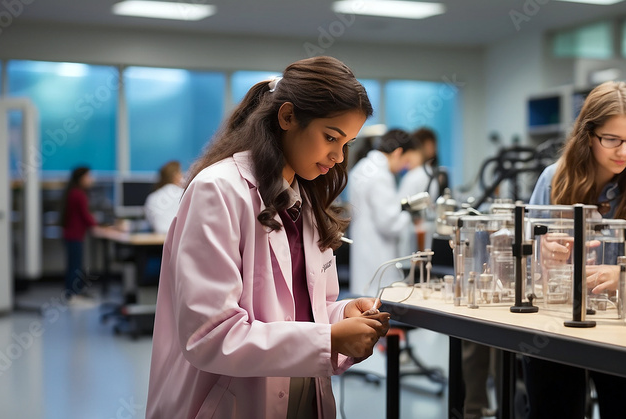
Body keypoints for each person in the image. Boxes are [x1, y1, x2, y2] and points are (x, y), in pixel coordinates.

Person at [146, 56, 390, 419]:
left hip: (304, 395)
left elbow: (308, 312)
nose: (338, 158)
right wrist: (330, 338)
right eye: (330, 138)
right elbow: (210, 336)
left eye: (347, 144)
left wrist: (342, 315)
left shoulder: (306, 199)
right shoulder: (219, 190)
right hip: (233, 403)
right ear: (287, 117)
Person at [523, 81, 626, 419]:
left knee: (625, 409)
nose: (624, 151)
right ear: (588, 136)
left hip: (624, 328)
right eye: (612, 140)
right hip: (557, 324)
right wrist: (542, 253)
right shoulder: (553, 179)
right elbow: (524, 257)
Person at [346, 128, 423, 296]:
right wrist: (408, 212)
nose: (404, 167)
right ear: (398, 153)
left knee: (362, 298)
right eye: (406, 161)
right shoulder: (381, 176)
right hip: (378, 255)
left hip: (363, 251)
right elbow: (389, 224)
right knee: (377, 299)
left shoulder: (362, 168)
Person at [396, 127, 441, 256]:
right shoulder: (429, 174)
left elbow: (399, 208)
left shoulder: (414, 176)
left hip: (413, 236)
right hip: (423, 235)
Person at [61, 166, 97, 301]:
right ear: (81, 178)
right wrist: (98, 225)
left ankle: (73, 293)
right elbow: (85, 216)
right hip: (74, 235)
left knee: (73, 265)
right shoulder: (79, 194)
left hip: (71, 234)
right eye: (88, 176)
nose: (91, 179)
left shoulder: (72, 192)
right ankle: (73, 294)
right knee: (75, 266)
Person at [144, 160, 185, 235]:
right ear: (176, 176)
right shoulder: (183, 194)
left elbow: (150, 222)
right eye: (181, 173)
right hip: (179, 238)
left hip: (157, 239)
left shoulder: (152, 197)